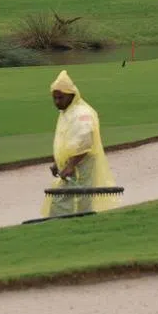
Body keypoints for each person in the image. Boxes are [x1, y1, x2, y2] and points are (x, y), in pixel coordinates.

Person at [45, 69, 119, 218]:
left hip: (80, 167)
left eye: (60, 98)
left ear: (71, 95)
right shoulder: (66, 112)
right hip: (68, 167)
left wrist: (70, 165)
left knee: (72, 201)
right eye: (54, 98)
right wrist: (57, 162)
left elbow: (85, 142)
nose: (57, 102)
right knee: (64, 202)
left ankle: (72, 225)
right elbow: (66, 142)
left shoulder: (82, 114)